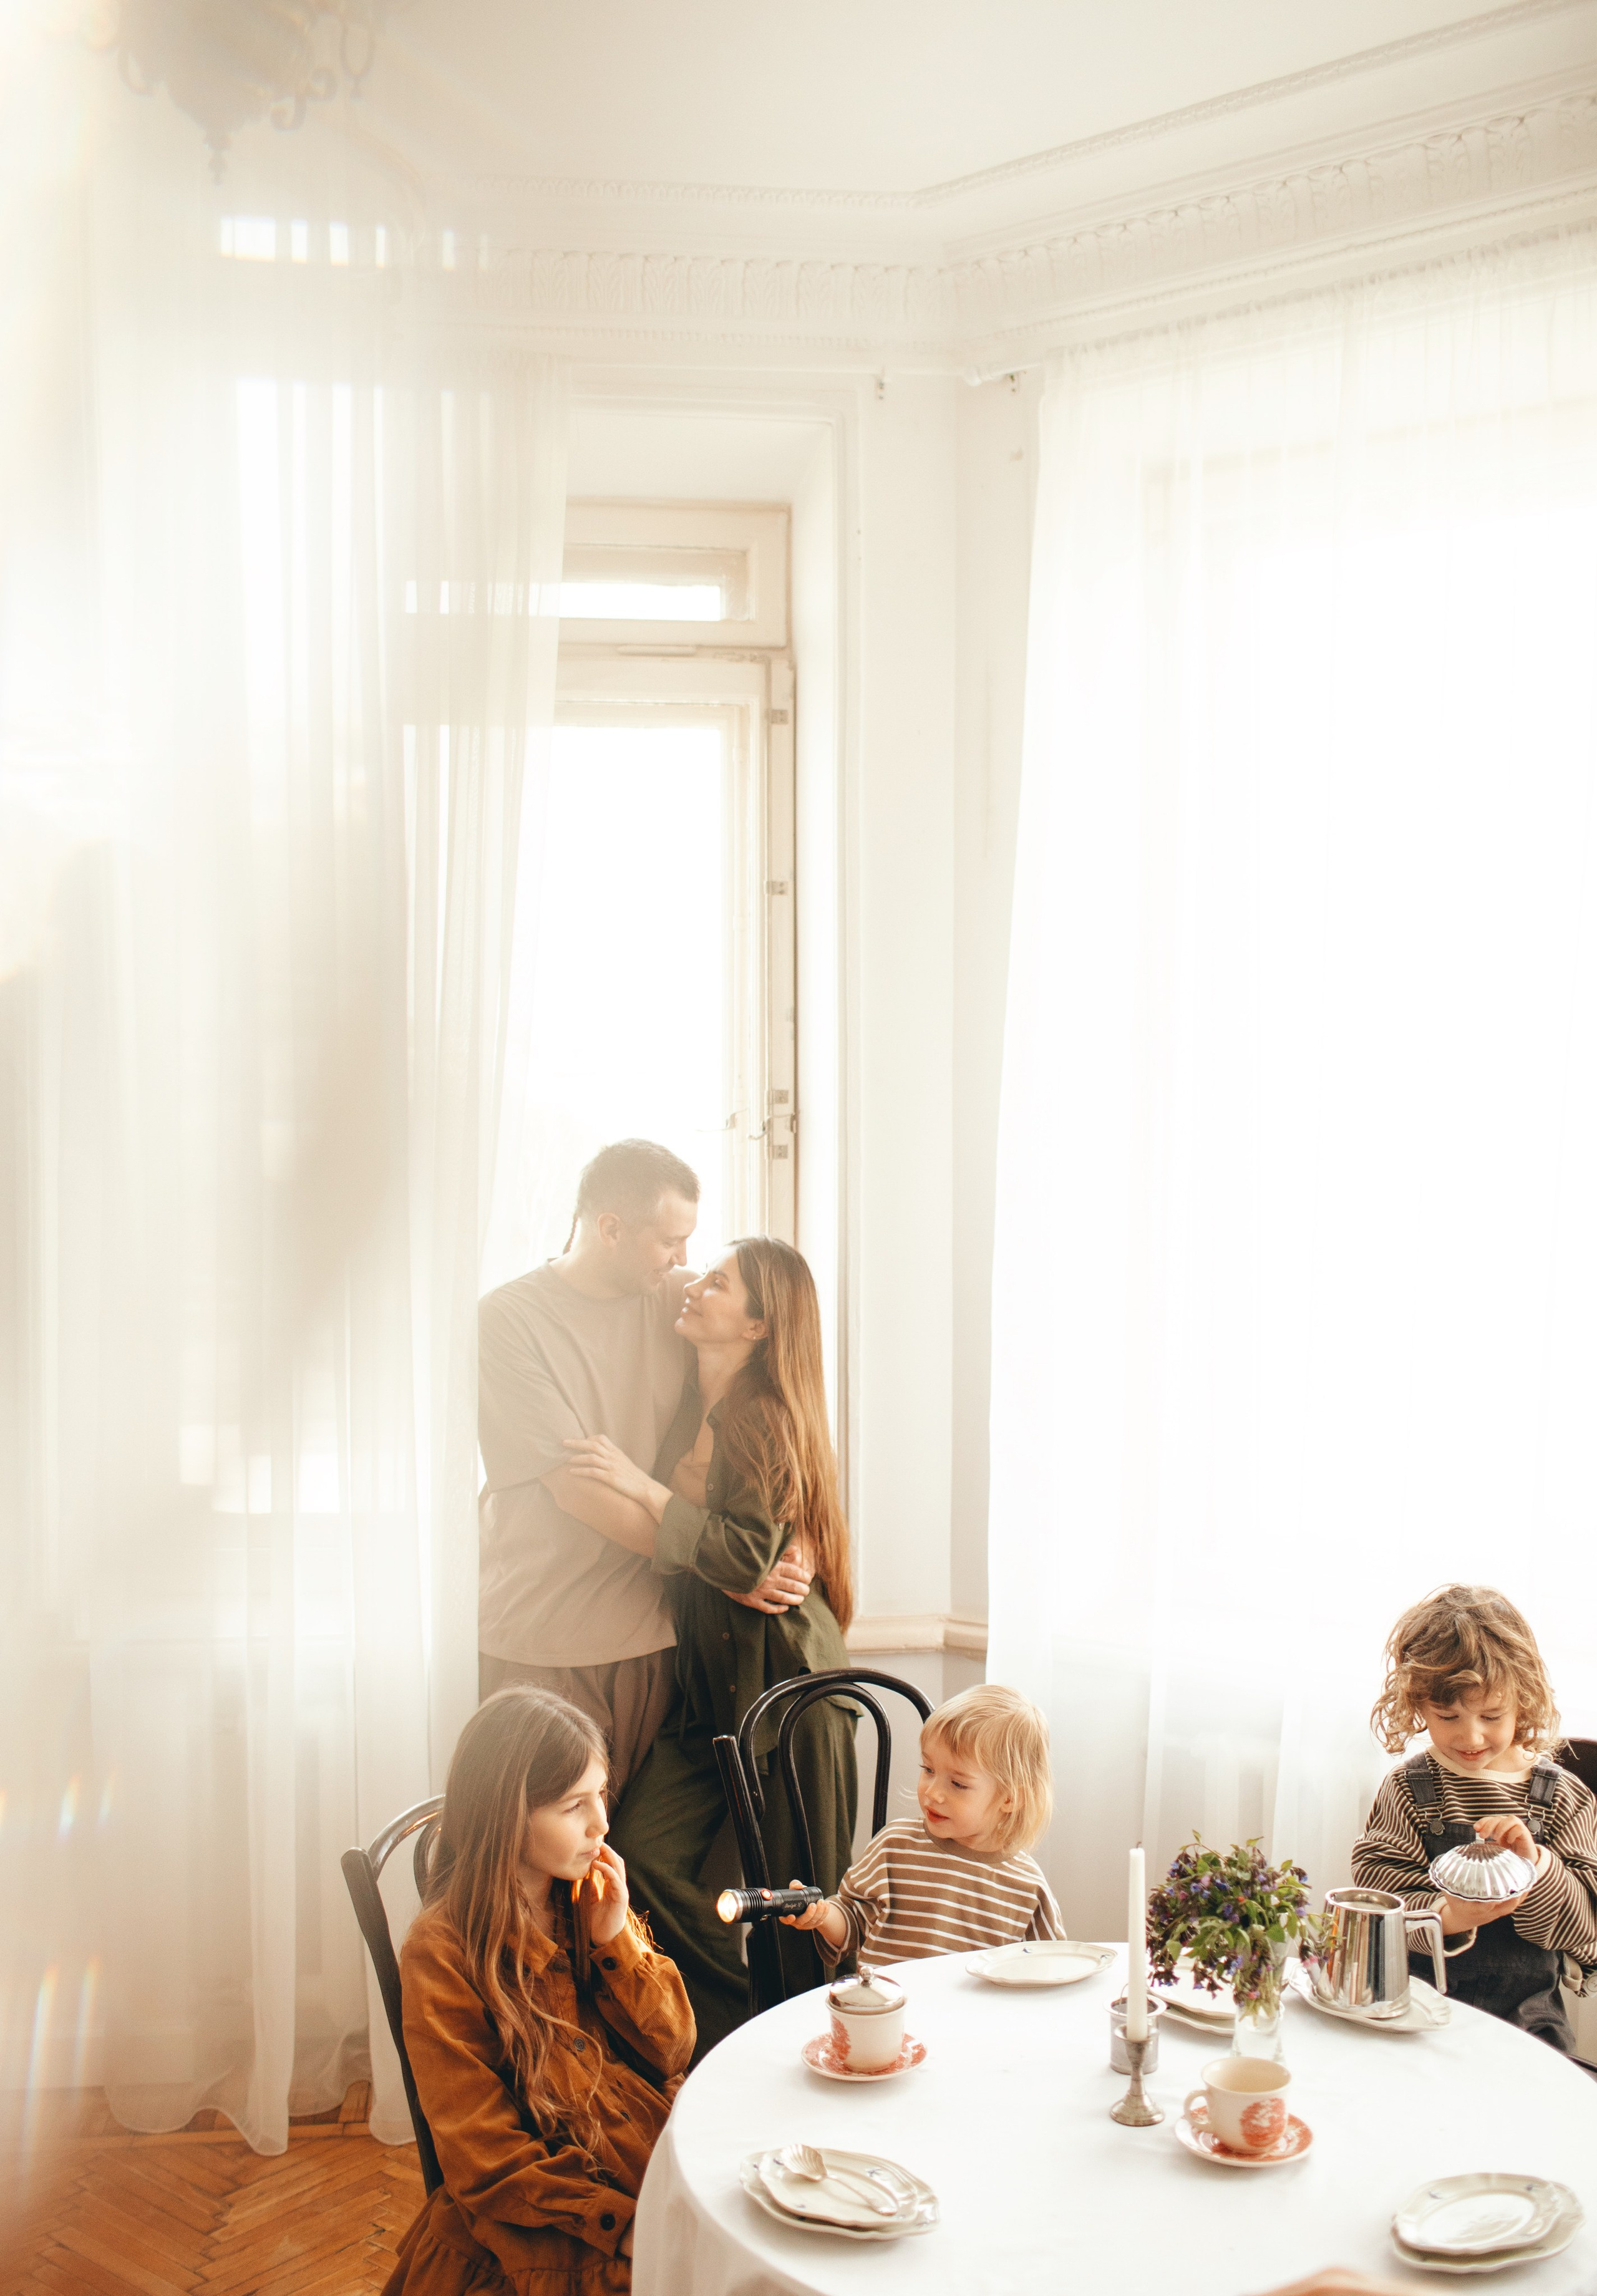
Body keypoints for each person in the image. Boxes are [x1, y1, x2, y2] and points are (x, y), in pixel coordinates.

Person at [561, 1237, 857, 2056]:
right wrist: (708, 1545)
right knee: (638, 1857)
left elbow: (745, 1557)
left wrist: (642, 1487)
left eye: (719, 1282)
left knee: (805, 1910)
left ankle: (816, 2060)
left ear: (761, 1324)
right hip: (710, 1696)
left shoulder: (764, 1414)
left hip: (788, 1695)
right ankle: (739, 2030)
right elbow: (725, 1556)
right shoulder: (699, 1402)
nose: (698, 1285)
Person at [477, 1140, 808, 1797]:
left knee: (617, 1860)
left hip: (651, 1639)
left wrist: (801, 1535)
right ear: (610, 1229)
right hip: (541, 1635)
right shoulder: (507, 1320)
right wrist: (724, 1567)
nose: (686, 1259)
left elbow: (784, 1398)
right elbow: (582, 1493)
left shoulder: (680, 1301)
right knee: (528, 1857)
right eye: (669, 1240)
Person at [382, 1688, 694, 2296]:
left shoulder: (584, 1899)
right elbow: (484, 2154)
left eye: (601, 1793)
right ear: (506, 1814)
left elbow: (674, 2048)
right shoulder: (441, 1951)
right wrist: (623, 2227)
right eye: (573, 1805)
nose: (602, 1823)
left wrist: (617, 1944)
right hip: (541, 2206)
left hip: (632, 2141)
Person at [1352, 1583, 1597, 2051]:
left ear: (1524, 1698)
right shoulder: (1409, 1789)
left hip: (1526, 2026)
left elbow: (1585, 1932)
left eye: (1491, 1714)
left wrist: (1538, 1866)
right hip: (1415, 2009)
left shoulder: (1565, 1797)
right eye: (1447, 1715)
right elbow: (1377, 1910)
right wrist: (1448, 1914)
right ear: (1417, 1704)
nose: (1471, 1736)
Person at [782, 1682, 1063, 1965]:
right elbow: (853, 1924)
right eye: (928, 1770)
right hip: (887, 2005)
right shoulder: (894, 1847)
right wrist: (823, 1916)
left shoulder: (1027, 1889)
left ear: (1011, 1799)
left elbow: (1048, 1971)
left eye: (958, 1784)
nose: (932, 1792)